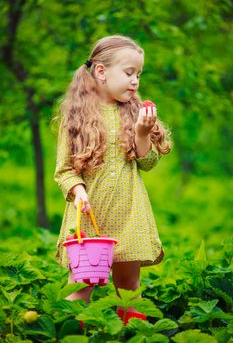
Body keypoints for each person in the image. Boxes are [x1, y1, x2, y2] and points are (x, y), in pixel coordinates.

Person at [54, 35, 171, 323]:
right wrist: (78, 191)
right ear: (102, 72)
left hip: (129, 215)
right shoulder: (77, 117)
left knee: (129, 290)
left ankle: (133, 336)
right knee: (81, 286)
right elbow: (65, 170)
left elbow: (148, 162)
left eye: (139, 75)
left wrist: (143, 134)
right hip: (89, 214)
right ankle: (70, 334)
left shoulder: (135, 114)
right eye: (129, 73)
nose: (135, 82)